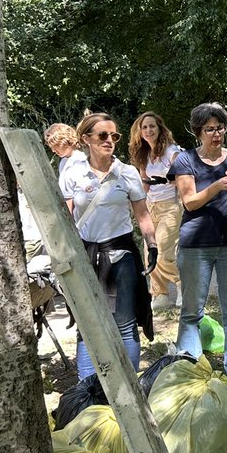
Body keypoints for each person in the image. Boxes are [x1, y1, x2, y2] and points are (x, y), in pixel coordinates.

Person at [59, 112, 157, 380]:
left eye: (114, 135)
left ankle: (130, 389)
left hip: (122, 253)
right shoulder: (73, 174)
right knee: (87, 325)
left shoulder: (126, 173)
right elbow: (64, 220)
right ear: (85, 139)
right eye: (102, 135)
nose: (109, 140)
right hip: (85, 254)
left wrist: (152, 244)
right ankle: (88, 392)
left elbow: (143, 215)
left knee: (125, 325)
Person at [172, 102, 227, 390]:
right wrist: (217, 186)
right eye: (210, 129)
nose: (216, 134)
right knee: (193, 309)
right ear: (198, 132)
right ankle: (188, 365)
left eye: (220, 128)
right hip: (196, 243)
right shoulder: (185, 161)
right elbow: (189, 201)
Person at [128, 111, 182, 311]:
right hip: (150, 207)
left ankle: (182, 283)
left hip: (170, 205)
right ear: (140, 132)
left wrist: (167, 179)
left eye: (152, 126)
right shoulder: (143, 154)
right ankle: (160, 293)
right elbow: (145, 186)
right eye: (144, 127)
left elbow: (184, 178)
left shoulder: (171, 152)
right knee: (150, 251)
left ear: (160, 128)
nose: (148, 130)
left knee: (164, 251)